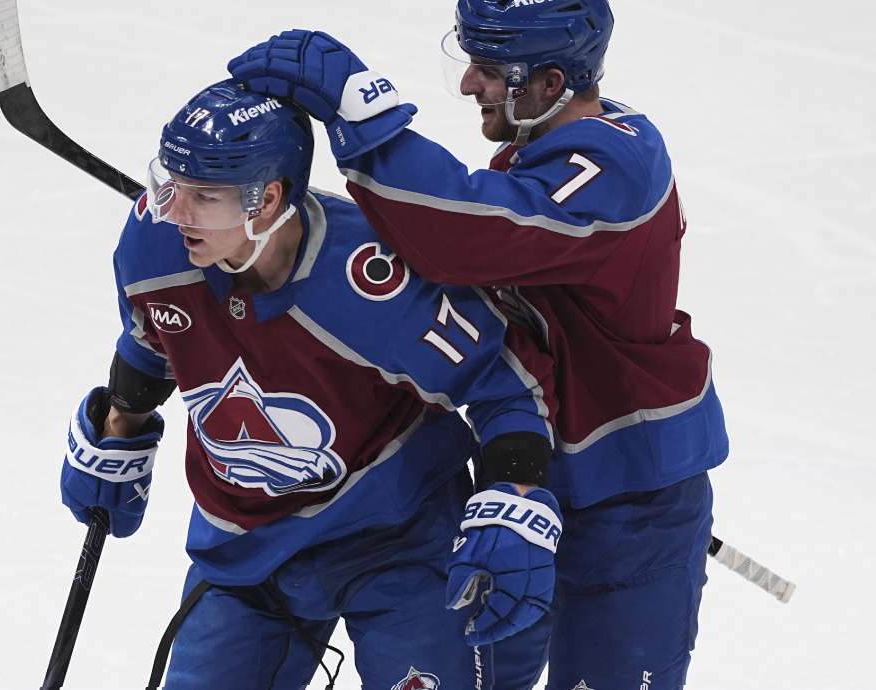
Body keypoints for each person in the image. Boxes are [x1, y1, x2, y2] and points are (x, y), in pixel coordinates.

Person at [227, 2, 730, 688]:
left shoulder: (612, 167)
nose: (469, 85)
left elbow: (461, 233)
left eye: (491, 71)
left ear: (550, 84)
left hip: (632, 499)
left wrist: (361, 116)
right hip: (531, 478)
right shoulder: (546, 149)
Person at [58, 79, 565, 689]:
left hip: (395, 538)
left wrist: (513, 502)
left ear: (267, 199)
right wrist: (120, 424)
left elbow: (501, 384)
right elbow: (153, 335)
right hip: (245, 543)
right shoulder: (154, 240)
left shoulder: (373, 281)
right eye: (170, 184)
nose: (174, 210)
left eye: (204, 195)